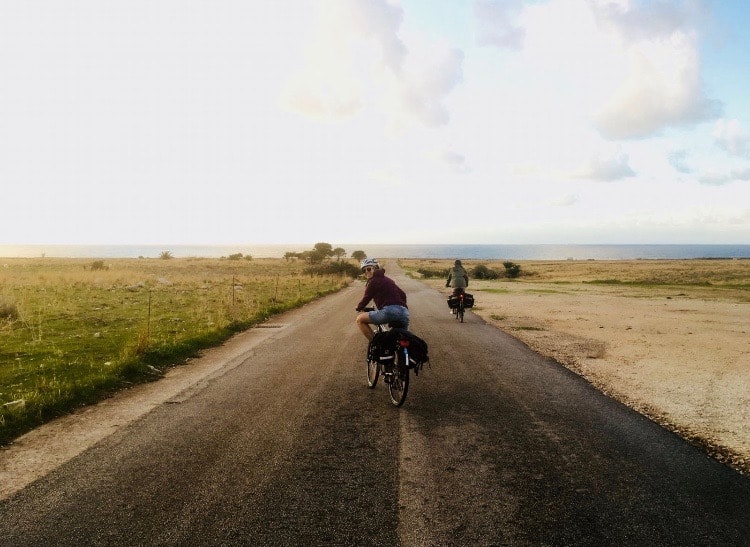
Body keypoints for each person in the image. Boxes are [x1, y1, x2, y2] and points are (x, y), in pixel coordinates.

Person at [355, 258, 409, 342]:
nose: (366, 271)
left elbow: (367, 297)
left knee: (360, 320)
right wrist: (400, 307)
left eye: (369, 269)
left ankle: (376, 344)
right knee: (400, 340)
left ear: (376, 268)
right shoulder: (389, 280)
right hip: (404, 313)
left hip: (389, 312)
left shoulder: (373, 281)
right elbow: (403, 295)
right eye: (364, 270)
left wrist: (359, 307)